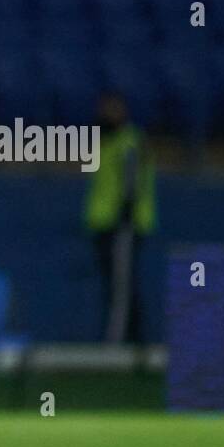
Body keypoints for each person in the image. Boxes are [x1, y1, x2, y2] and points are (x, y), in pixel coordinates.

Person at [83, 92, 156, 346]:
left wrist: (125, 216)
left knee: (121, 290)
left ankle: (115, 345)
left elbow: (131, 185)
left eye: (111, 109)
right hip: (104, 223)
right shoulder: (106, 141)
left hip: (122, 225)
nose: (105, 115)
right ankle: (133, 342)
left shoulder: (129, 142)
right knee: (117, 286)